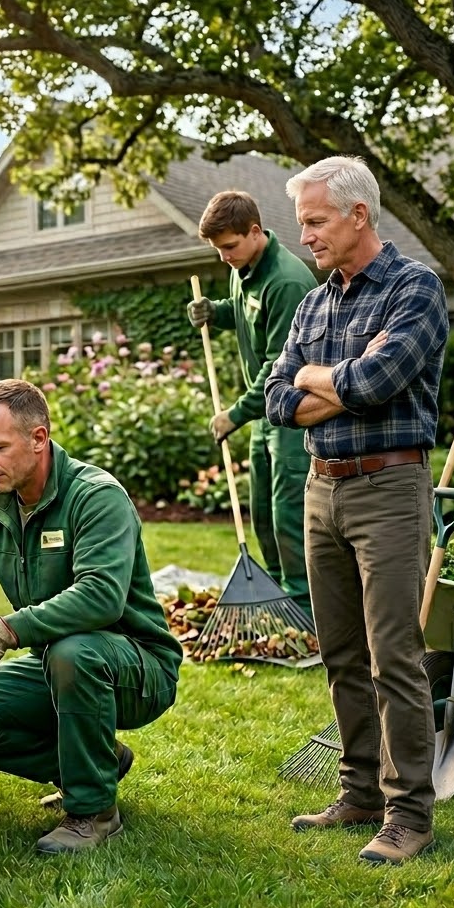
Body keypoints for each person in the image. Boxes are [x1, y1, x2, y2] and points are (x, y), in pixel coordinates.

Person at [0, 378, 181, 855]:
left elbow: (100, 596)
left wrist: (3, 631)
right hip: (57, 665)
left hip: (136, 667)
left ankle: (93, 811)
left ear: (38, 438)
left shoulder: (96, 497)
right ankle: (96, 762)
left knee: (72, 650)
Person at [264, 155, 449, 865]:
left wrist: (334, 381)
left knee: (393, 656)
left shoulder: (415, 288)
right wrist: (334, 379)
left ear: (358, 215)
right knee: (339, 652)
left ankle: (409, 815)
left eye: (314, 221)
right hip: (322, 487)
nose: (304, 235)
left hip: (390, 491)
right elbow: (280, 398)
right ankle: (360, 792)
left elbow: (380, 379)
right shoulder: (314, 303)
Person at [186, 191, 318, 622]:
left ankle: (305, 604)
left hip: (295, 412)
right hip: (266, 414)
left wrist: (234, 415)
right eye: (218, 250)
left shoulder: (286, 280)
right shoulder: (244, 270)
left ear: (255, 232)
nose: (224, 258)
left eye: (229, 247)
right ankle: (276, 589)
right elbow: (247, 316)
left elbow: (278, 366)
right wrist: (216, 312)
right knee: (261, 507)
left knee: (288, 510)